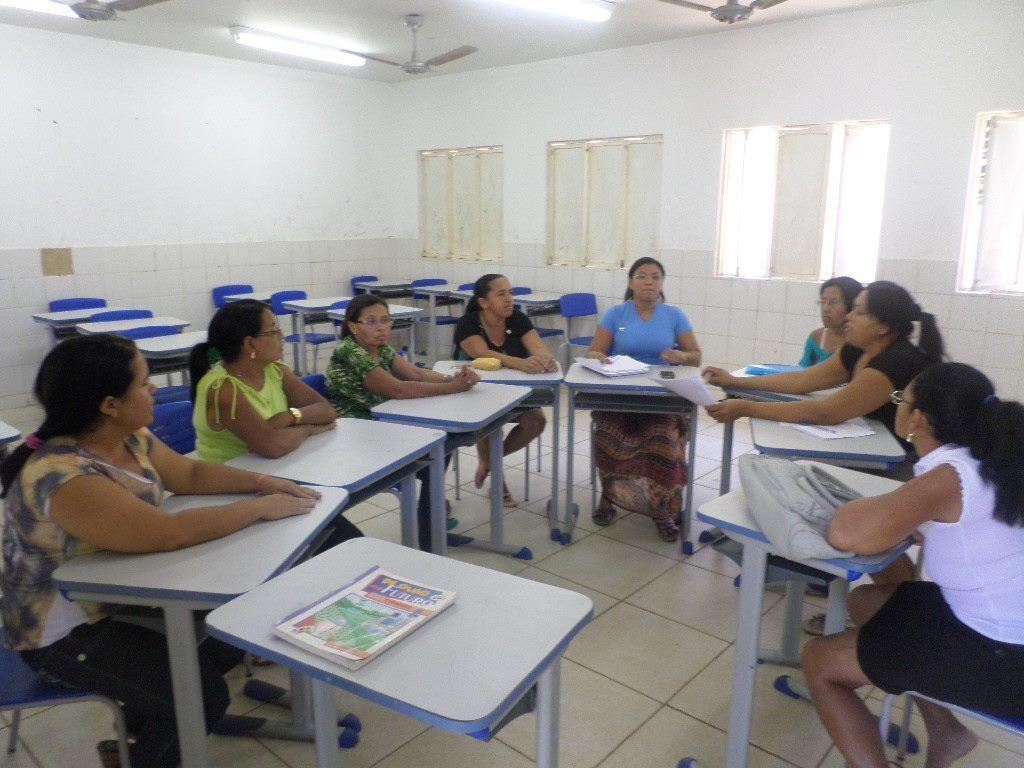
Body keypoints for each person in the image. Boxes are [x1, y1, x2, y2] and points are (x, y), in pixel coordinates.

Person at [0, 334, 320, 768]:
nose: (154, 389)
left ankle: (145, 720)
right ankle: (161, 728)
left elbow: (186, 472)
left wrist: (263, 483)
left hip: (128, 595)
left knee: (238, 618)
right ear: (109, 404)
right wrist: (259, 509)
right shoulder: (63, 476)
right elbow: (168, 533)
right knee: (201, 696)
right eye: (144, 383)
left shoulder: (129, 435)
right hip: (65, 633)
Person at [802, 363, 1024, 768]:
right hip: (1006, 634)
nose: (897, 408)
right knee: (869, 601)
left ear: (916, 419)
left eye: (899, 401)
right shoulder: (996, 461)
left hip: (1002, 659)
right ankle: (946, 732)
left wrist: (862, 512)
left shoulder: (950, 475)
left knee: (818, 660)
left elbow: (850, 535)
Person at [324, 294, 480, 550]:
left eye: (385, 321)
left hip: (382, 427)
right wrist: (454, 387)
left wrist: (453, 378)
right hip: (356, 440)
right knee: (438, 451)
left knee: (443, 445)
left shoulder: (379, 349)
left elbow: (416, 373)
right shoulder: (350, 352)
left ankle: (430, 523)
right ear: (353, 326)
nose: (381, 327)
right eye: (371, 322)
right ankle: (429, 534)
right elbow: (398, 390)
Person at [584, 256, 702, 542]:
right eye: (641, 276)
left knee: (662, 440)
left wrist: (681, 356)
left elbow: (696, 356)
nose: (648, 281)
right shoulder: (615, 314)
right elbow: (593, 352)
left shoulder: (674, 315)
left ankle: (664, 509)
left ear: (661, 283)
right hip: (620, 392)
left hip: (661, 394)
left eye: (655, 276)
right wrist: (598, 356)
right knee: (609, 437)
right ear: (631, 282)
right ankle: (609, 498)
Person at [189, 299, 337, 463]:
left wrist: (289, 417)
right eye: (273, 332)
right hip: (228, 479)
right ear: (250, 344)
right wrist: (308, 428)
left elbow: (327, 411)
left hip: (271, 469)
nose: (281, 336)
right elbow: (273, 446)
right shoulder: (223, 388)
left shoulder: (275, 370)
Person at [453, 273, 555, 505]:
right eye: (501, 294)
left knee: (536, 421)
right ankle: (497, 475)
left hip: (513, 392)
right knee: (489, 424)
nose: (510, 299)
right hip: (474, 393)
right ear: (483, 302)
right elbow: (482, 352)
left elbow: (538, 347)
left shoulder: (517, 319)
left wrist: (545, 359)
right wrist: (520, 362)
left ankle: (489, 462)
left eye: (511, 293)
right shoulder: (468, 323)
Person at [799, 276, 862, 367]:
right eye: (823, 302)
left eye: (833, 302)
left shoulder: (860, 343)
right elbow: (801, 372)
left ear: (851, 306)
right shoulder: (816, 337)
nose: (825, 309)